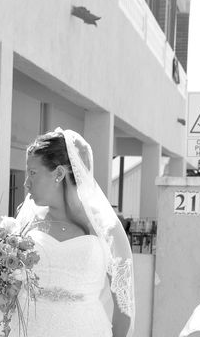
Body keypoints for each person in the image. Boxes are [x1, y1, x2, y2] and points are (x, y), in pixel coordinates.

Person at [15, 128, 135, 337]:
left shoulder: (106, 228)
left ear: (59, 174)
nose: (26, 183)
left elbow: (124, 307)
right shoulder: (26, 223)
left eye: (33, 173)